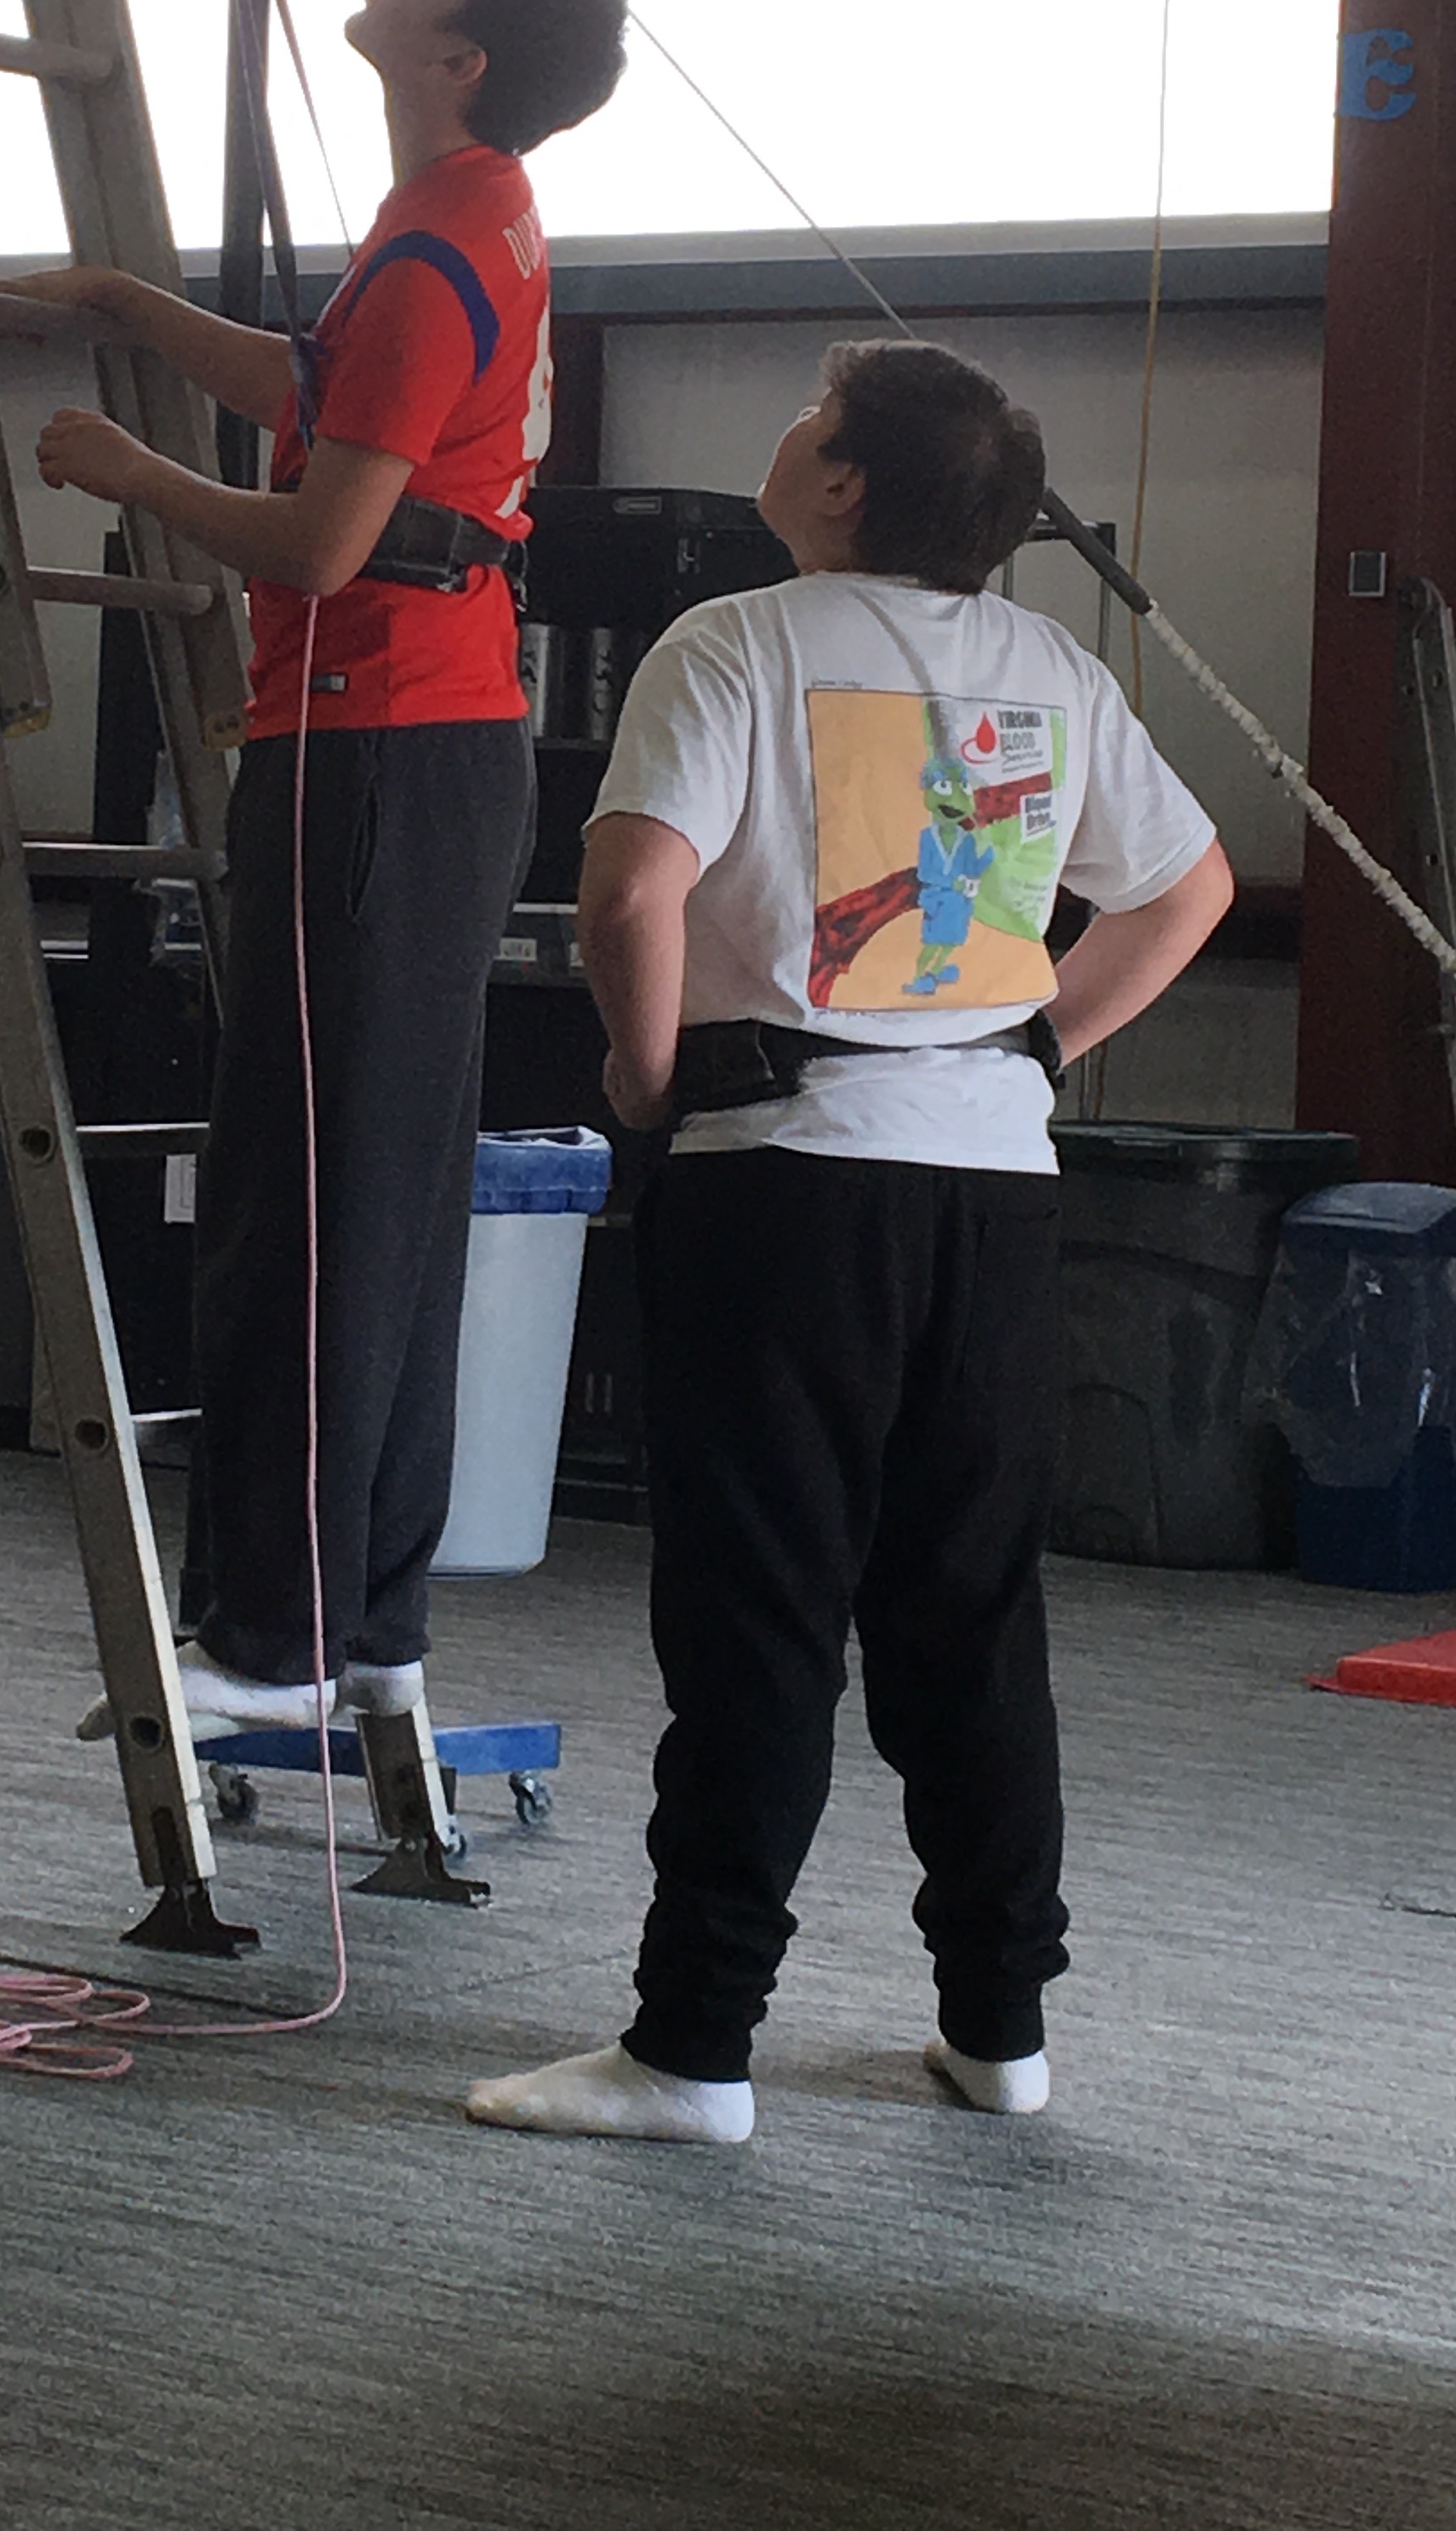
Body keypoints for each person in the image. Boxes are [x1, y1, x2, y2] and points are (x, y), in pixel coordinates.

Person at [465, 339, 1233, 2144]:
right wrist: (1032, 1048)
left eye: (811, 418)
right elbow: (1188, 890)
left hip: (787, 1176)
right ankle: (1001, 2031)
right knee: (972, 1613)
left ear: (842, 486)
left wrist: (647, 1075)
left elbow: (629, 889)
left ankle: (693, 2049)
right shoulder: (1051, 668)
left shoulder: (733, 643)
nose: (791, 433)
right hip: (995, 1189)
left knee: (759, 1612)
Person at [20, 0, 628, 1732]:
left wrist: (127, 469)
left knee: (307, 1195)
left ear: (462, 52)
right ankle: (366, 1616)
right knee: (380, 1192)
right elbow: (322, 392)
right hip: (416, 753)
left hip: (375, 754)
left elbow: (320, 536)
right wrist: (133, 307)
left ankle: (275, 1640)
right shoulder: (461, 216)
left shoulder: (440, 249)